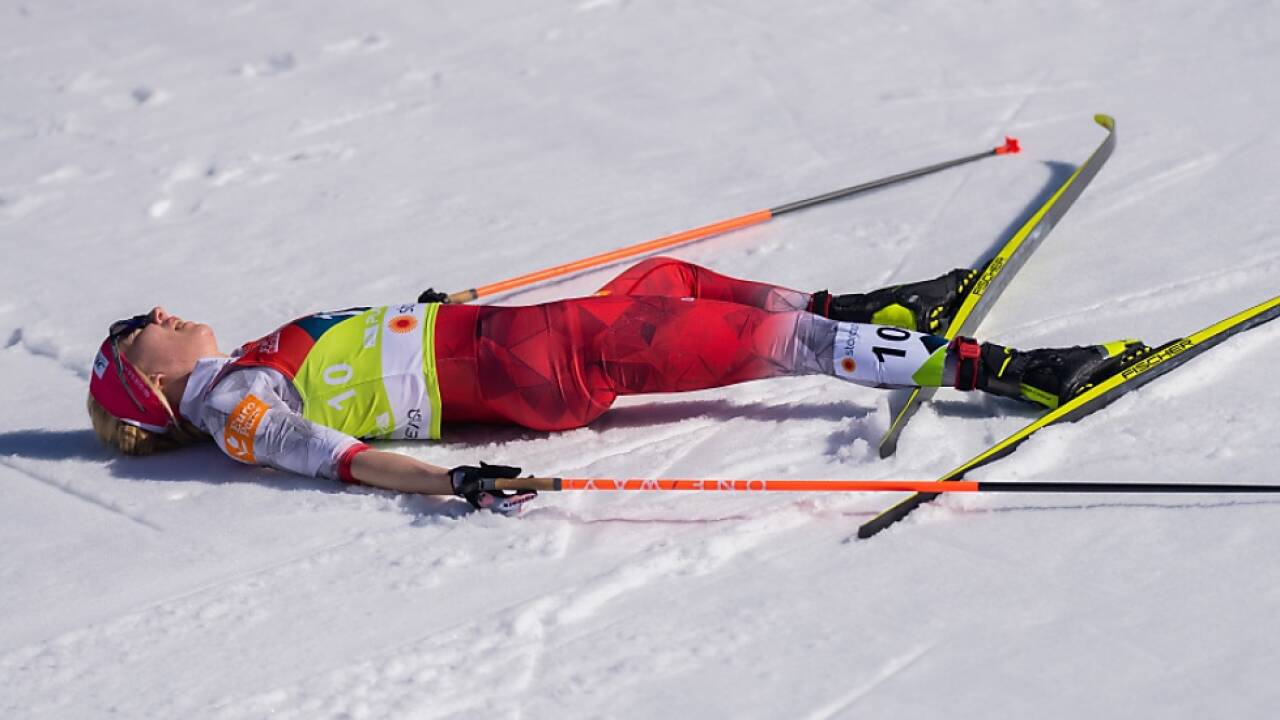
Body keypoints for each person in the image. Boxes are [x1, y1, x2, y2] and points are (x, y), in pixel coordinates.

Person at [87, 257, 1151, 514]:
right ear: (146, 389)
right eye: (140, 333)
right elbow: (335, 456)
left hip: (521, 344)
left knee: (667, 281)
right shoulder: (229, 406)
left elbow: (354, 371)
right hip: (540, 363)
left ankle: (868, 312)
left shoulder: (239, 363)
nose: (160, 315)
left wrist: (419, 317)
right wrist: (452, 482)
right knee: (765, 342)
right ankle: (1012, 373)